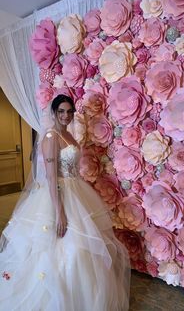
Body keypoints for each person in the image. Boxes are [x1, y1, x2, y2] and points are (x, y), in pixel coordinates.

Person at [0, 94, 130, 311]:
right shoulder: (51, 137)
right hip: (55, 196)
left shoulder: (69, 136)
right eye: (61, 111)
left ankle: (82, 297)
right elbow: (51, 177)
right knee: (60, 249)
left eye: (69, 111)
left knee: (81, 249)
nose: (66, 115)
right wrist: (59, 212)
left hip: (76, 191)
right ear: (54, 112)